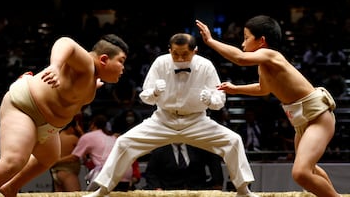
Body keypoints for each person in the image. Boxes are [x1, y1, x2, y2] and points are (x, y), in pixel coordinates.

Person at [84, 33, 258, 197]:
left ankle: (243, 189)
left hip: (196, 121)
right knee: (124, 142)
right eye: (176, 54)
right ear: (170, 50)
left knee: (233, 140)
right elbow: (145, 96)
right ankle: (103, 188)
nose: (180, 59)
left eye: (185, 54)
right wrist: (155, 92)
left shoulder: (205, 66)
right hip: (163, 120)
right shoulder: (161, 63)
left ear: (194, 51)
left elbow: (220, 101)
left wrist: (210, 100)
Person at [196, 15, 341, 197]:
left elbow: (240, 58)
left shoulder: (271, 55)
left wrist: (210, 41)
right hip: (302, 121)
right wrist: (236, 89)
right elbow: (263, 89)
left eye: (246, 38)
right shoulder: (264, 65)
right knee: (308, 170)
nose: (242, 43)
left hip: (317, 118)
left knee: (301, 173)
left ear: (261, 40)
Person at [0, 33, 129, 197]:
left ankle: (11, 187)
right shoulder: (86, 65)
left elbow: (74, 91)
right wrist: (55, 66)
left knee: (49, 158)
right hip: (25, 108)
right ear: (104, 59)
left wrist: (92, 85)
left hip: (47, 125)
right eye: (121, 61)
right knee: (13, 161)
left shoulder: (90, 80)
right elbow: (66, 43)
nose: (123, 68)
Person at [56, 114, 140, 192]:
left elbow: (74, 157)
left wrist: (54, 162)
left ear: (92, 124)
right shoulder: (112, 137)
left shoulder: (87, 137)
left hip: (108, 175)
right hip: (126, 175)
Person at [143, 143, 224, 190]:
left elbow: (214, 161)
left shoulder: (198, 146)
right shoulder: (160, 150)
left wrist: (217, 182)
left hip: (197, 189)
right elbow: (151, 173)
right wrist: (157, 188)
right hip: (169, 190)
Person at [50, 115, 84, 192]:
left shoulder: (56, 138)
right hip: (67, 172)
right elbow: (86, 144)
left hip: (56, 172)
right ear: (71, 128)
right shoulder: (73, 138)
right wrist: (81, 132)